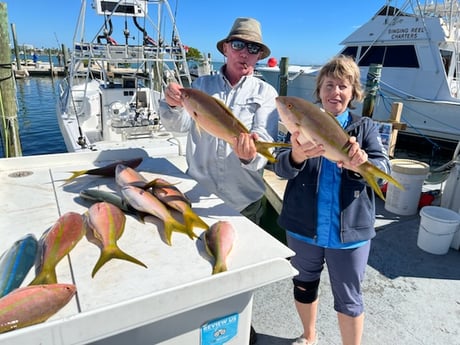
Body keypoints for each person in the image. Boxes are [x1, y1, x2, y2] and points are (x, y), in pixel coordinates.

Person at [159, 17, 279, 344]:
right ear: (225, 48)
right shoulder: (201, 87)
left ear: (258, 56)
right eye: (238, 44)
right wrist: (170, 103)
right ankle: (197, 326)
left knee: (238, 269)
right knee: (197, 261)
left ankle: (239, 328)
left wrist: (247, 154)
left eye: (253, 48)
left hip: (243, 202)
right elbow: (177, 125)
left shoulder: (267, 94)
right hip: (197, 195)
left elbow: (264, 145)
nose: (245, 52)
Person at [273, 55, 391, 345]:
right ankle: (309, 337)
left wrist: (363, 164)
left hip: (349, 231)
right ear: (319, 90)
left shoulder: (365, 128)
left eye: (342, 86)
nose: (335, 92)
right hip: (303, 226)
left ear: (353, 93)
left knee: (349, 296)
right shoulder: (297, 121)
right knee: (303, 285)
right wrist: (297, 155)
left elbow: (384, 170)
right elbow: (279, 167)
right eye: (329, 85)